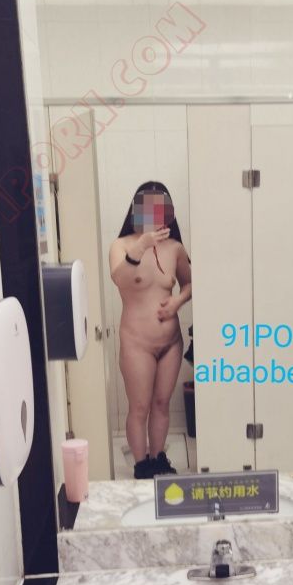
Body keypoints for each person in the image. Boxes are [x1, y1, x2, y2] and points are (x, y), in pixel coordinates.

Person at [109, 181, 192, 479]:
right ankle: (141, 465)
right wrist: (141, 245)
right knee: (140, 406)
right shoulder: (121, 246)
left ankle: (158, 459)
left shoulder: (175, 249)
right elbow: (119, 279)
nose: (155, 214)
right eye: (148, 207)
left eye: (161, 208)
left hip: (171, 341)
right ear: (136, 210)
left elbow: (191, 282)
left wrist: (177, 301)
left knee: (161, 403)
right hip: (136, 343)